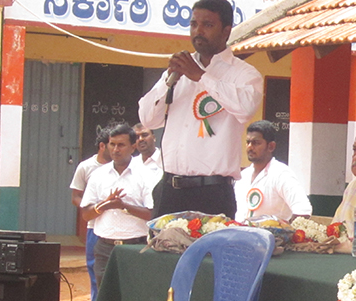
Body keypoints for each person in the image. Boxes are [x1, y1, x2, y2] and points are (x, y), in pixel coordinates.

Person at [138, 0, 263, 218]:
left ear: (226, 31)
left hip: (212, 192)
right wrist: (169, 80)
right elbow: (148, 119)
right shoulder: (178, 71)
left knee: (211, 243)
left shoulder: (244, 74)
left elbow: (245, 108)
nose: (198, 31)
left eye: (208, 25)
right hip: (169, 189)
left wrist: (201, 77)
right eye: (194, 24)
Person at [79, 124, 153, 287]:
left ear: (133, 147)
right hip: (104, 248)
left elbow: (152, 214)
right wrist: (104, 205)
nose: (115, 150)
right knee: (105, 295)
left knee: (133, 294)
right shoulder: (98, 175)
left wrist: (123, 206)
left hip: (136, 247)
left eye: (121, 145)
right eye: (112, 144)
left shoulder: (146, 174)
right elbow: (86, 214)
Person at [234, 120, 312, 222]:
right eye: (248, 142)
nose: (250, 147)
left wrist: (284, 229)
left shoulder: (281, 174)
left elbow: (303, 211)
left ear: (271, 146)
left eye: (256, 143)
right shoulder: (242, 176)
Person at [69, 129, 111, 301]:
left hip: (117, 229)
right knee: (95, 274)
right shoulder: (86, 167)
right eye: (112, 145)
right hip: (94, 227)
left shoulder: (126, 167)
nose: (116, 149)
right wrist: (92, 209)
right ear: (102, 146)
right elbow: (75, 197)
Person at [130, 123, 163, 191]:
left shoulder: (165, 161)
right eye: (137, 137)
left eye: (144, 135)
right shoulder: (131, 164)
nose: (140, 139)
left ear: (154, 138)